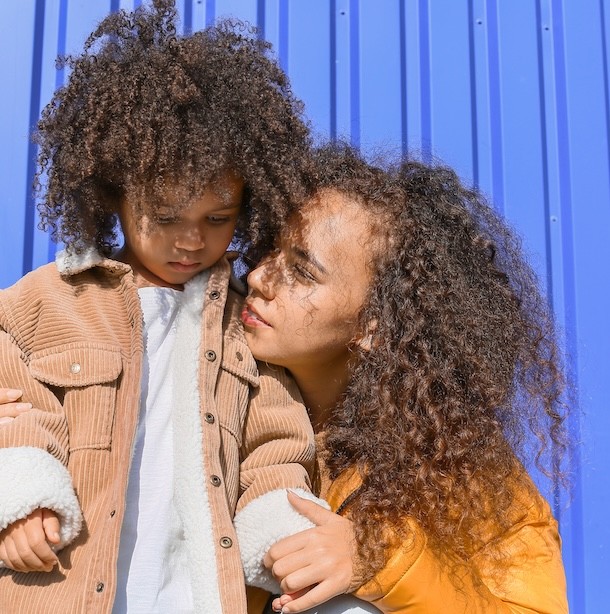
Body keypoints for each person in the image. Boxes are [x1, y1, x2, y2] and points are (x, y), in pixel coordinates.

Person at [0, 2, 326, 612]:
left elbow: (276, 447)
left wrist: (285, 534)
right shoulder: (49, 300)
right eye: (165, 216)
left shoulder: (247, 324)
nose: (191, 241)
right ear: (112, 194)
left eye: (218, 218)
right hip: (59, 586)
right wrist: (18, 493)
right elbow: (13, 405)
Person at [241, 143, 570, 613]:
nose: (259, 277)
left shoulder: (458, 466)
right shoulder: (215, 394)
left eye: (303, 272)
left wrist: (378, 561)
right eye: (273, 249)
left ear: (372, 325)